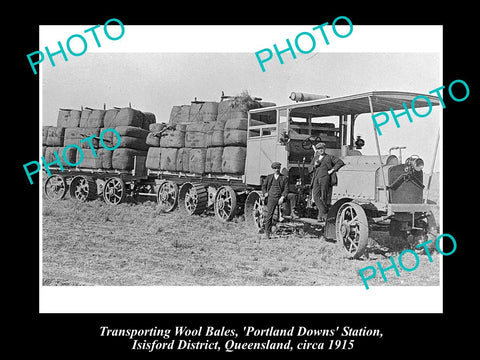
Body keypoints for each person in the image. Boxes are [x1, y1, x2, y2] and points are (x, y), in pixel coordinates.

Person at [310, 142, 345, 221]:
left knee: (324, 197)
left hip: (325, 178)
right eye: (319, 149)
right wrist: (314, 165)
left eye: (322, 148)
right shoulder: (315, 158)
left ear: (324, 149)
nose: (320, 150)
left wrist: (332, 170)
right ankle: (324, 212)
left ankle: (320, 216)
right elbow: (310, 168)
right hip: (316, 178)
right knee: (315, 197)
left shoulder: (330, 157)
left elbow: (340, 162)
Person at [261, 162, 289, 239]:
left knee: (284, 213)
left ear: (280, 169)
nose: (277, 170)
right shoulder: (269, 177)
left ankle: (279, 227)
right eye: (275, 168)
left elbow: (286, 189)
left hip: (280, 198)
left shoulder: (284, 178)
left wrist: (282, 197)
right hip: (271, 198)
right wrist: (265, 193)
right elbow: (263, 186)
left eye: (278, 168)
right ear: (273, 169)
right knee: (269, 216)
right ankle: (267, 233)